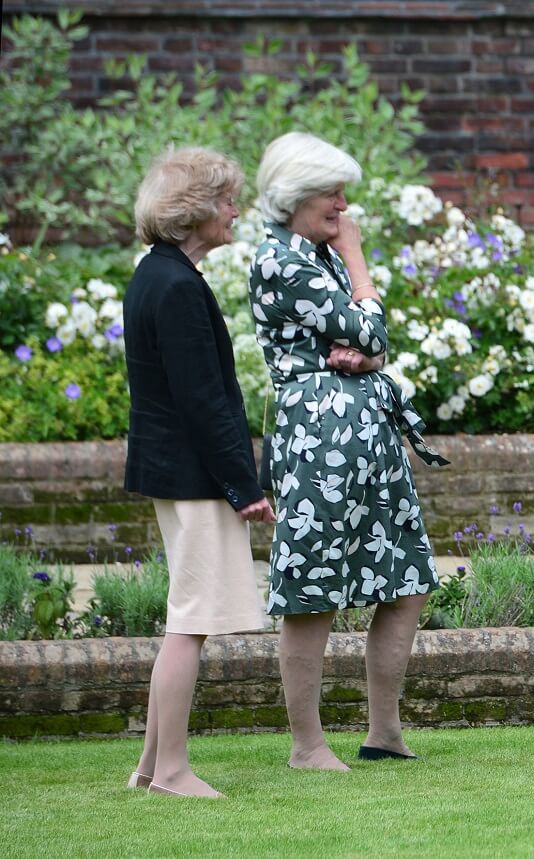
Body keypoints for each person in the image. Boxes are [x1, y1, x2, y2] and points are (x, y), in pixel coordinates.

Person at [250, 132, 447, 771]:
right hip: (320, 441)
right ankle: (307, 746)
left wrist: (368, 352)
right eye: (332, 193)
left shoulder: (312, 251)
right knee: (313, 589)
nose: (343, 205)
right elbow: (370, 326)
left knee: (406, 576)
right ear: (296, 196)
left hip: (364, 433)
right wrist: (358, 263)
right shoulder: (284, 260)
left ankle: (383, 732)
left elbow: (373, 344)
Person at [124, 147, 277, 798]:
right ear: (193, 212)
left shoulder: (155, 274)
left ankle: (149, 766)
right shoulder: (178, 285)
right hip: (193, 476)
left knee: (182, 617)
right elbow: (202, 399)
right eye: (224, 200)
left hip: (175, 472)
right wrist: (244, 486)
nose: (234, 211)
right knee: (190, 623)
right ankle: (172, 771)